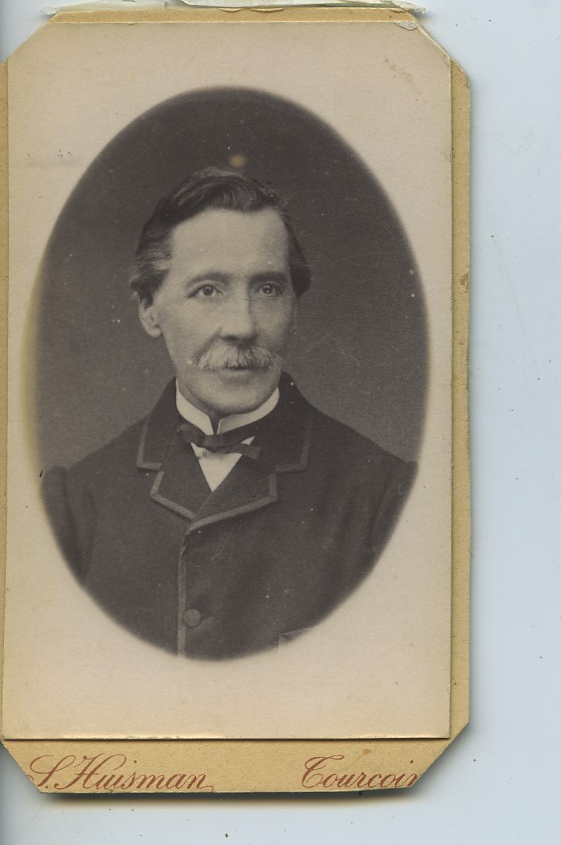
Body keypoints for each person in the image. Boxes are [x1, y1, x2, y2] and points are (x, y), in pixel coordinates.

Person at [42, 167, 416, 660]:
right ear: (150, 309)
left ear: (295, 307)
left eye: (267, 289)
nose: (242, 326)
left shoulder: (387, 498)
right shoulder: (74, 504)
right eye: (208, 290)